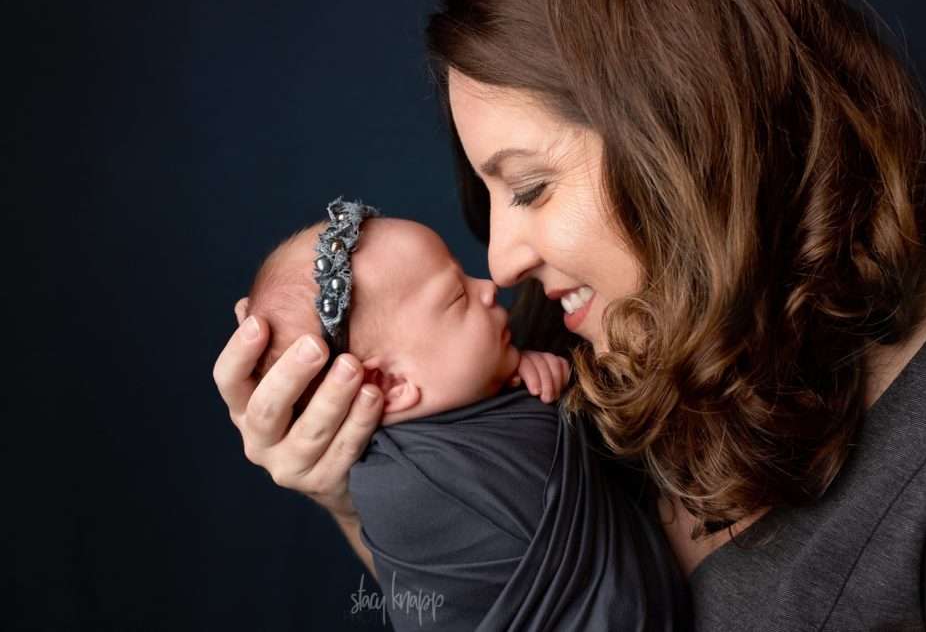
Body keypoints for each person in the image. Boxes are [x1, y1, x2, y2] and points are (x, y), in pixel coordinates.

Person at [213, 0, 926, 628]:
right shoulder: (562, 331)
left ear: (691, 133)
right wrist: (355, 492)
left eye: (529, 188)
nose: (500, 264)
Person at [235, 196, 688, 630]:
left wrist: (512, 372)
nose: (490, 286)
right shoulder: (411, 487)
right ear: (389, 385)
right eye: (457, 297)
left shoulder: (465, 401)